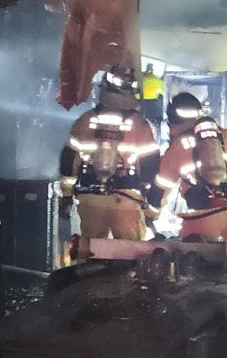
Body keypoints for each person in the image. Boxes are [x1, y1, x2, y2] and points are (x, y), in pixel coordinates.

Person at [59, 66, 161, 258]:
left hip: (91, 198)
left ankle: (87, 277)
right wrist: (149, 203)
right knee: (131, 255)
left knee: (90, 252)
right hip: (127, 199)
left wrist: (66, 196)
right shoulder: (140, 125)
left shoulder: (85, 120)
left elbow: (69, 161)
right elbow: (151, 167)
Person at [148, 93, 227, 242]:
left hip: (200, 223)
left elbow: (160, 189)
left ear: (171, 122)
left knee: (194, 256)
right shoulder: (226, 136)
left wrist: (151, 214)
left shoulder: (176, 149)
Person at [140, 63, 165, 131]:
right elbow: (163, 93)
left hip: (140, 101)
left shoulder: (140, 77)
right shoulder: (158, 81)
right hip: (152, 103)